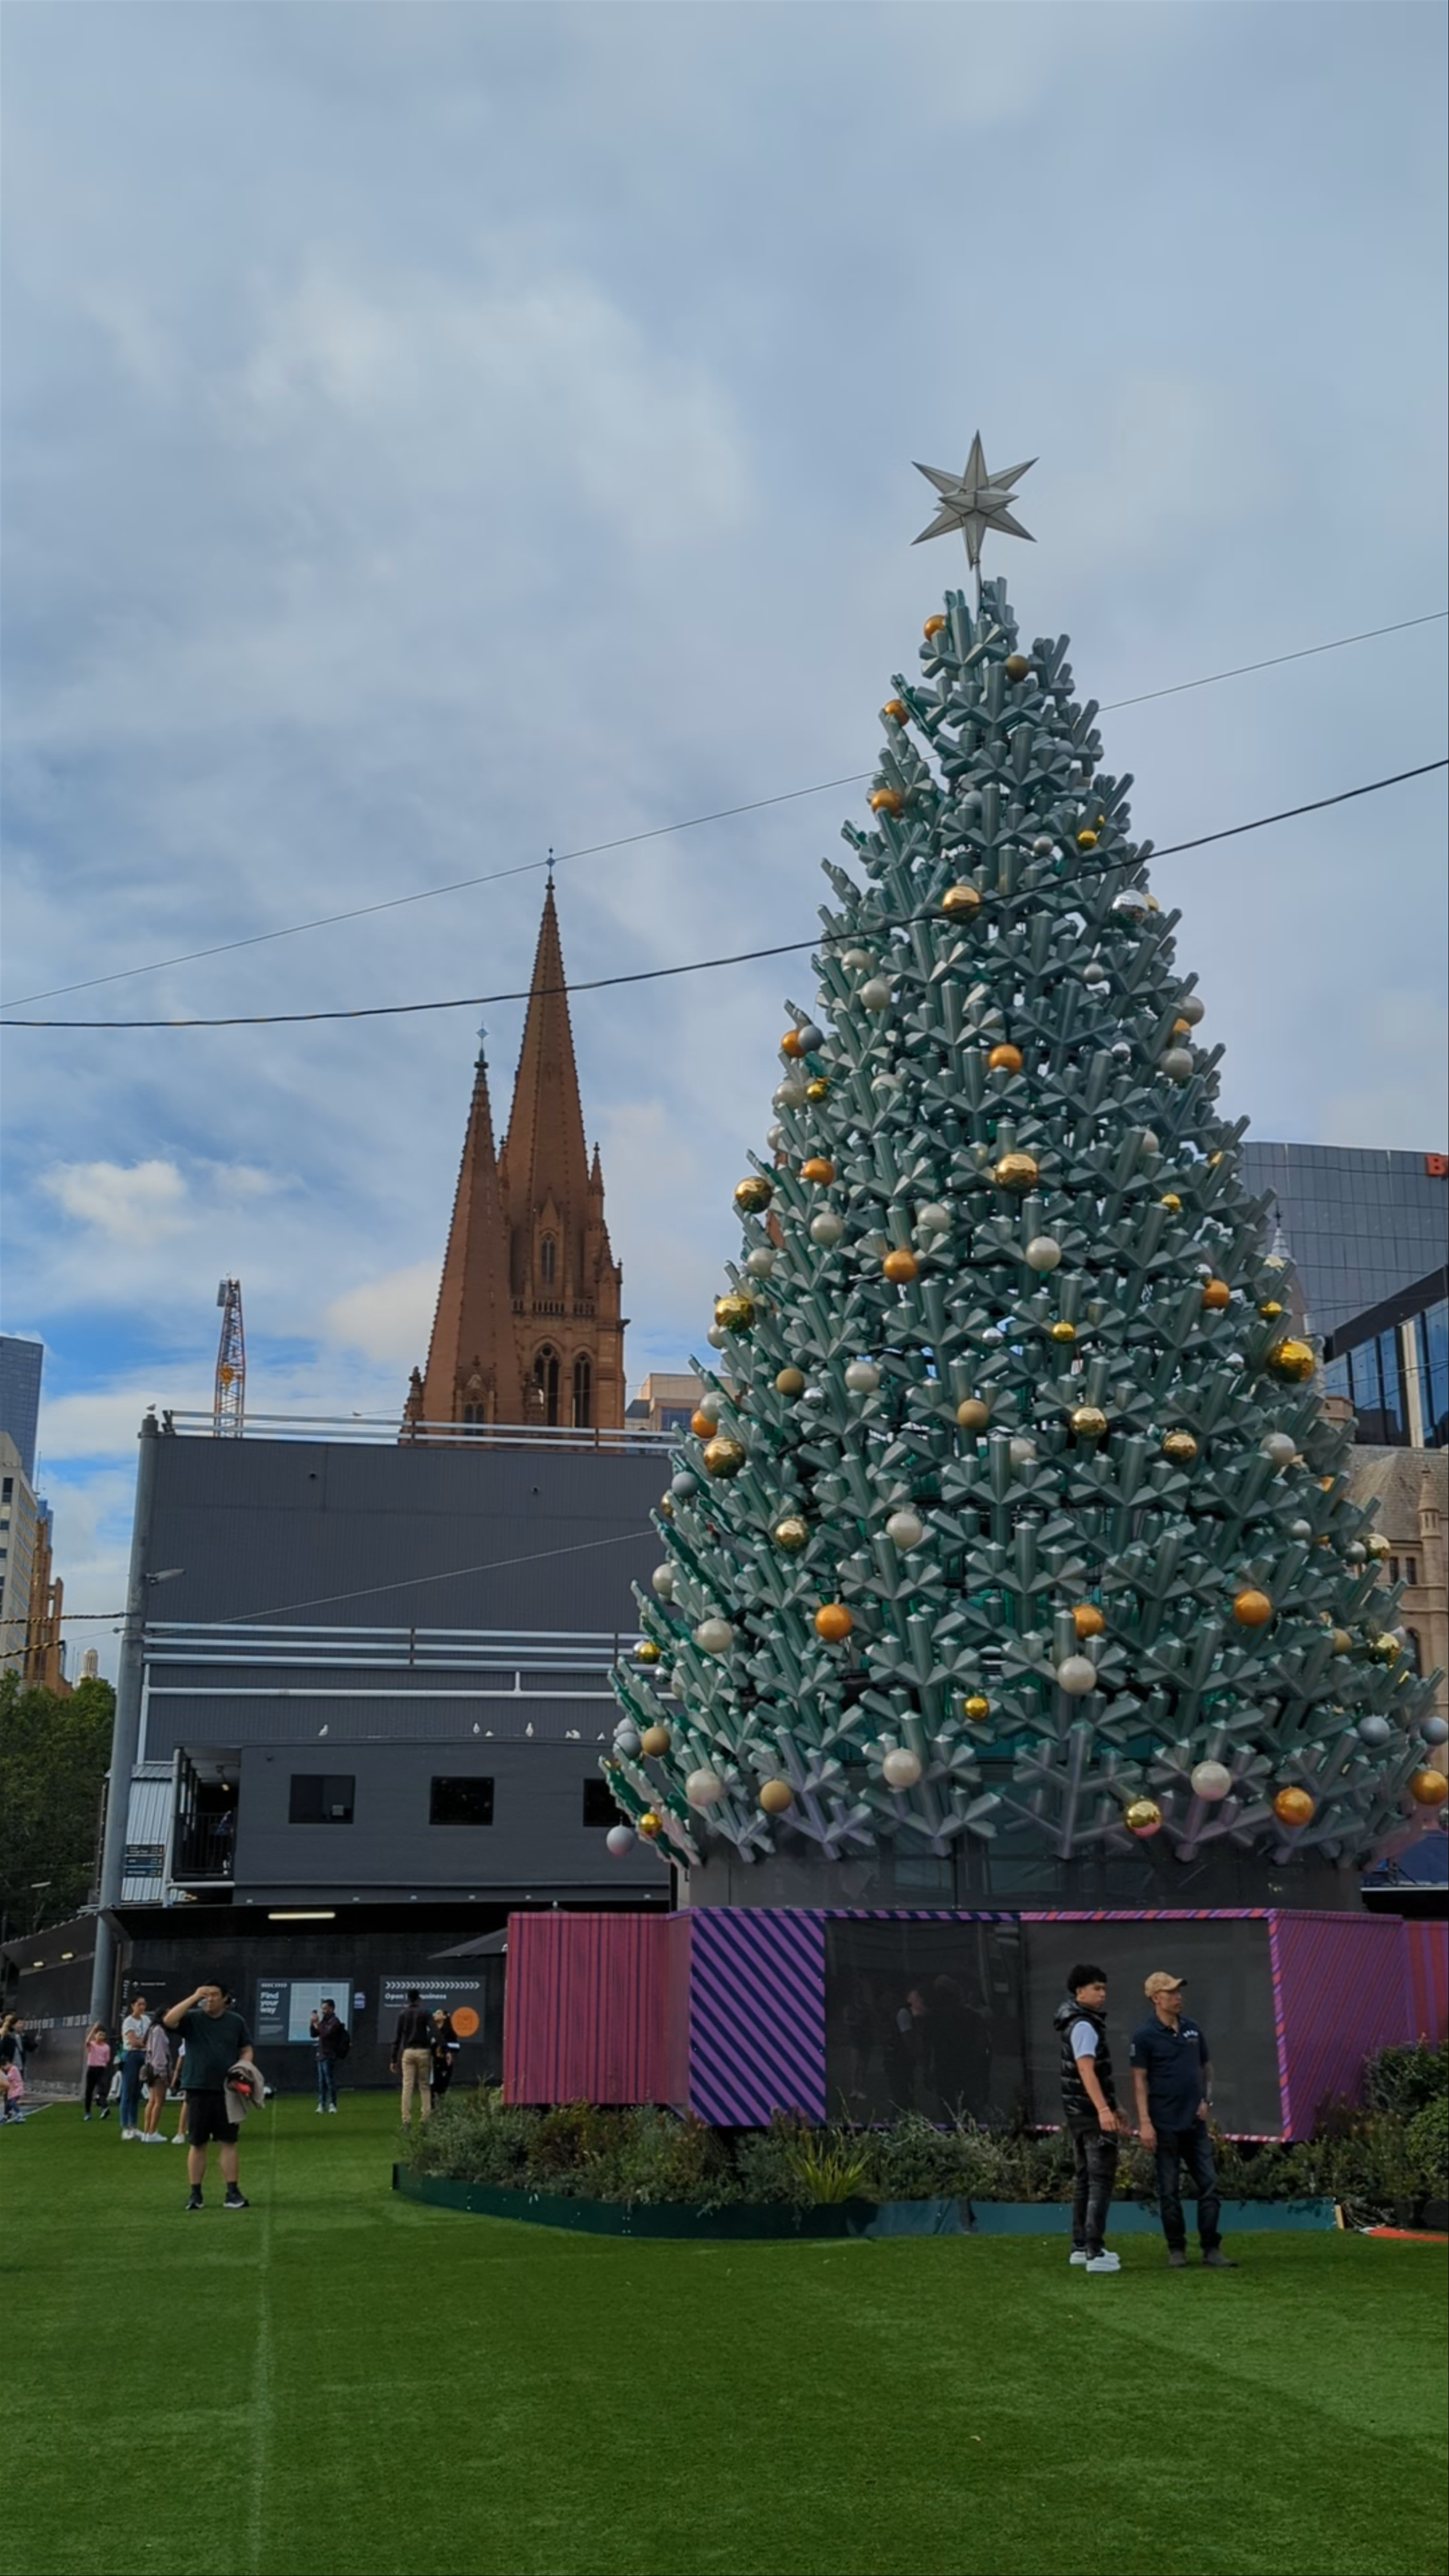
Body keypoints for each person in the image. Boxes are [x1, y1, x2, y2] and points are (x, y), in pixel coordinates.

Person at [1130, 1971, 1236, 2270]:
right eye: (1171, 1992)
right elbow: (1139, 2081)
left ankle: (1211, 2248)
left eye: (1179, 1991)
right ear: (1156, 1998)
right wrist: (1145, 2123)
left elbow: (1207, 2069)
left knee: (1210, 2184)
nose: (1178, 1997)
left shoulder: (1193, 2030)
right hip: (1164, 2124)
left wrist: (1207, 2100)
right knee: (1169, 2189)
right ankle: (1177, 2248)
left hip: (1195, 2123)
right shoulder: (1145, 2035)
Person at [1054, 1962, 1131, 2275]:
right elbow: (1087, 2070)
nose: (1103, 1994)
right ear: (1079, 1991)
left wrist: (1116, 2105)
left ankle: (1079, 2246)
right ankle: (1095, 2251)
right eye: (1097, 1988)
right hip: (1090, 2114)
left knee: (1085, 2179)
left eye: (1104, 1989)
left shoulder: (1075, 2021)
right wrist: (1104, 2110)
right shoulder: (1084, 2025)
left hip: (1078, 2113)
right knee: (1100, 2181)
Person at [163, 1981, 256, 2211]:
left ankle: (233, 2192)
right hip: (198, 2087)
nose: (210, 1999)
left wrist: (244, 2067)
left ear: (225, 1999)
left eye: (215, 1995)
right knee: (197, 2143)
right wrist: (194, 1997)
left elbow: (246, 2047)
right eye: (207, 1995)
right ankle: (196, 2194)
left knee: (229, 2142)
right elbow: (169, 2021)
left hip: (227, 2089)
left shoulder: (236, 2022)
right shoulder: (193, 2018)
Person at [390, 1989, 434, 2125]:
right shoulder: (425, 2013)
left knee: (407, 2087)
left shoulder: (403, 2014)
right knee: (425, 2086)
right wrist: (445, 2049)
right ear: (419, 1999)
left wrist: (393, 2059)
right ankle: (426, 2117)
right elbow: (435, 2031)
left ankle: (406, 2120)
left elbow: (397, 2038)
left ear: (408, 1999)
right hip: (423, 2051)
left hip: (408, 2052)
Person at [118, 1996, 149, 2138]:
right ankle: (125, 2127)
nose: (142, 2007)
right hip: (131, 2055)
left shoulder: (147, 2020)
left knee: (137, 2092)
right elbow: (133, 2041)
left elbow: (149, 2037)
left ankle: (134, 2126)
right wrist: (144, 2043)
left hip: (143, 2055)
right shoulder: (128, 2022)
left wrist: (144, 2044)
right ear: (133, 2006)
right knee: (127, 2091)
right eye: (139, 2004)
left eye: (144, 2004)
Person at [309, 1998, 344, 2113]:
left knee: (329, 2081)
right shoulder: (324, 2022)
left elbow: (325, 2034)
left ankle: (333, 2104)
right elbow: (314, 2034)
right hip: (321, 2055)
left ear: (332, 2009)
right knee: (321, 2082)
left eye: (325, 2009)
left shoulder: (335, 2022)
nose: (323, 2011)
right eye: (322, 2009)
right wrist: (312, 2024)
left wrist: (317, 2023)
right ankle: (322, 2104)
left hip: (330, 2055)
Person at [142, 2011, 172, 2141]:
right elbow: (159, 2053)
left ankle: (147, 2131)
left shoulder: (152, 2030)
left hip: (150, 2068)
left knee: (152, 2101)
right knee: (159, 2102)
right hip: (158, 2069)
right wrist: (163, 2072)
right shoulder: (159, 2031)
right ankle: (152, 2132)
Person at [83, 2024, 113, 2120]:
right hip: (92, 2069)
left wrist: (102, 2063)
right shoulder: (92, 2045)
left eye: (103, 2035)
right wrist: (94, 2029)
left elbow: (107, 2059)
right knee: (89, 2091)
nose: (102, 2037)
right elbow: (87, 2041)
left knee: (102, 2090)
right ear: (95, 2035)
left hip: (102, 2069)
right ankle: (88, 2113)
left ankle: (105, 2108)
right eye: (100, 2035)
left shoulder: (107, 2047)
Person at [429, 2010, 460, 2100]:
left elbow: (456, 2046)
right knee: (433, 2084)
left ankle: (442, 2105)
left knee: (442, 2085)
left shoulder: (449, 2031)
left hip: (445, 2061)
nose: (435, 2015)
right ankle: (432, 2107)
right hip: (433, 2061)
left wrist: (443, 2048)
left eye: (439, 2013)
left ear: (445, 2017)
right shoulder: (432, 2031)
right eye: (435, 2013)